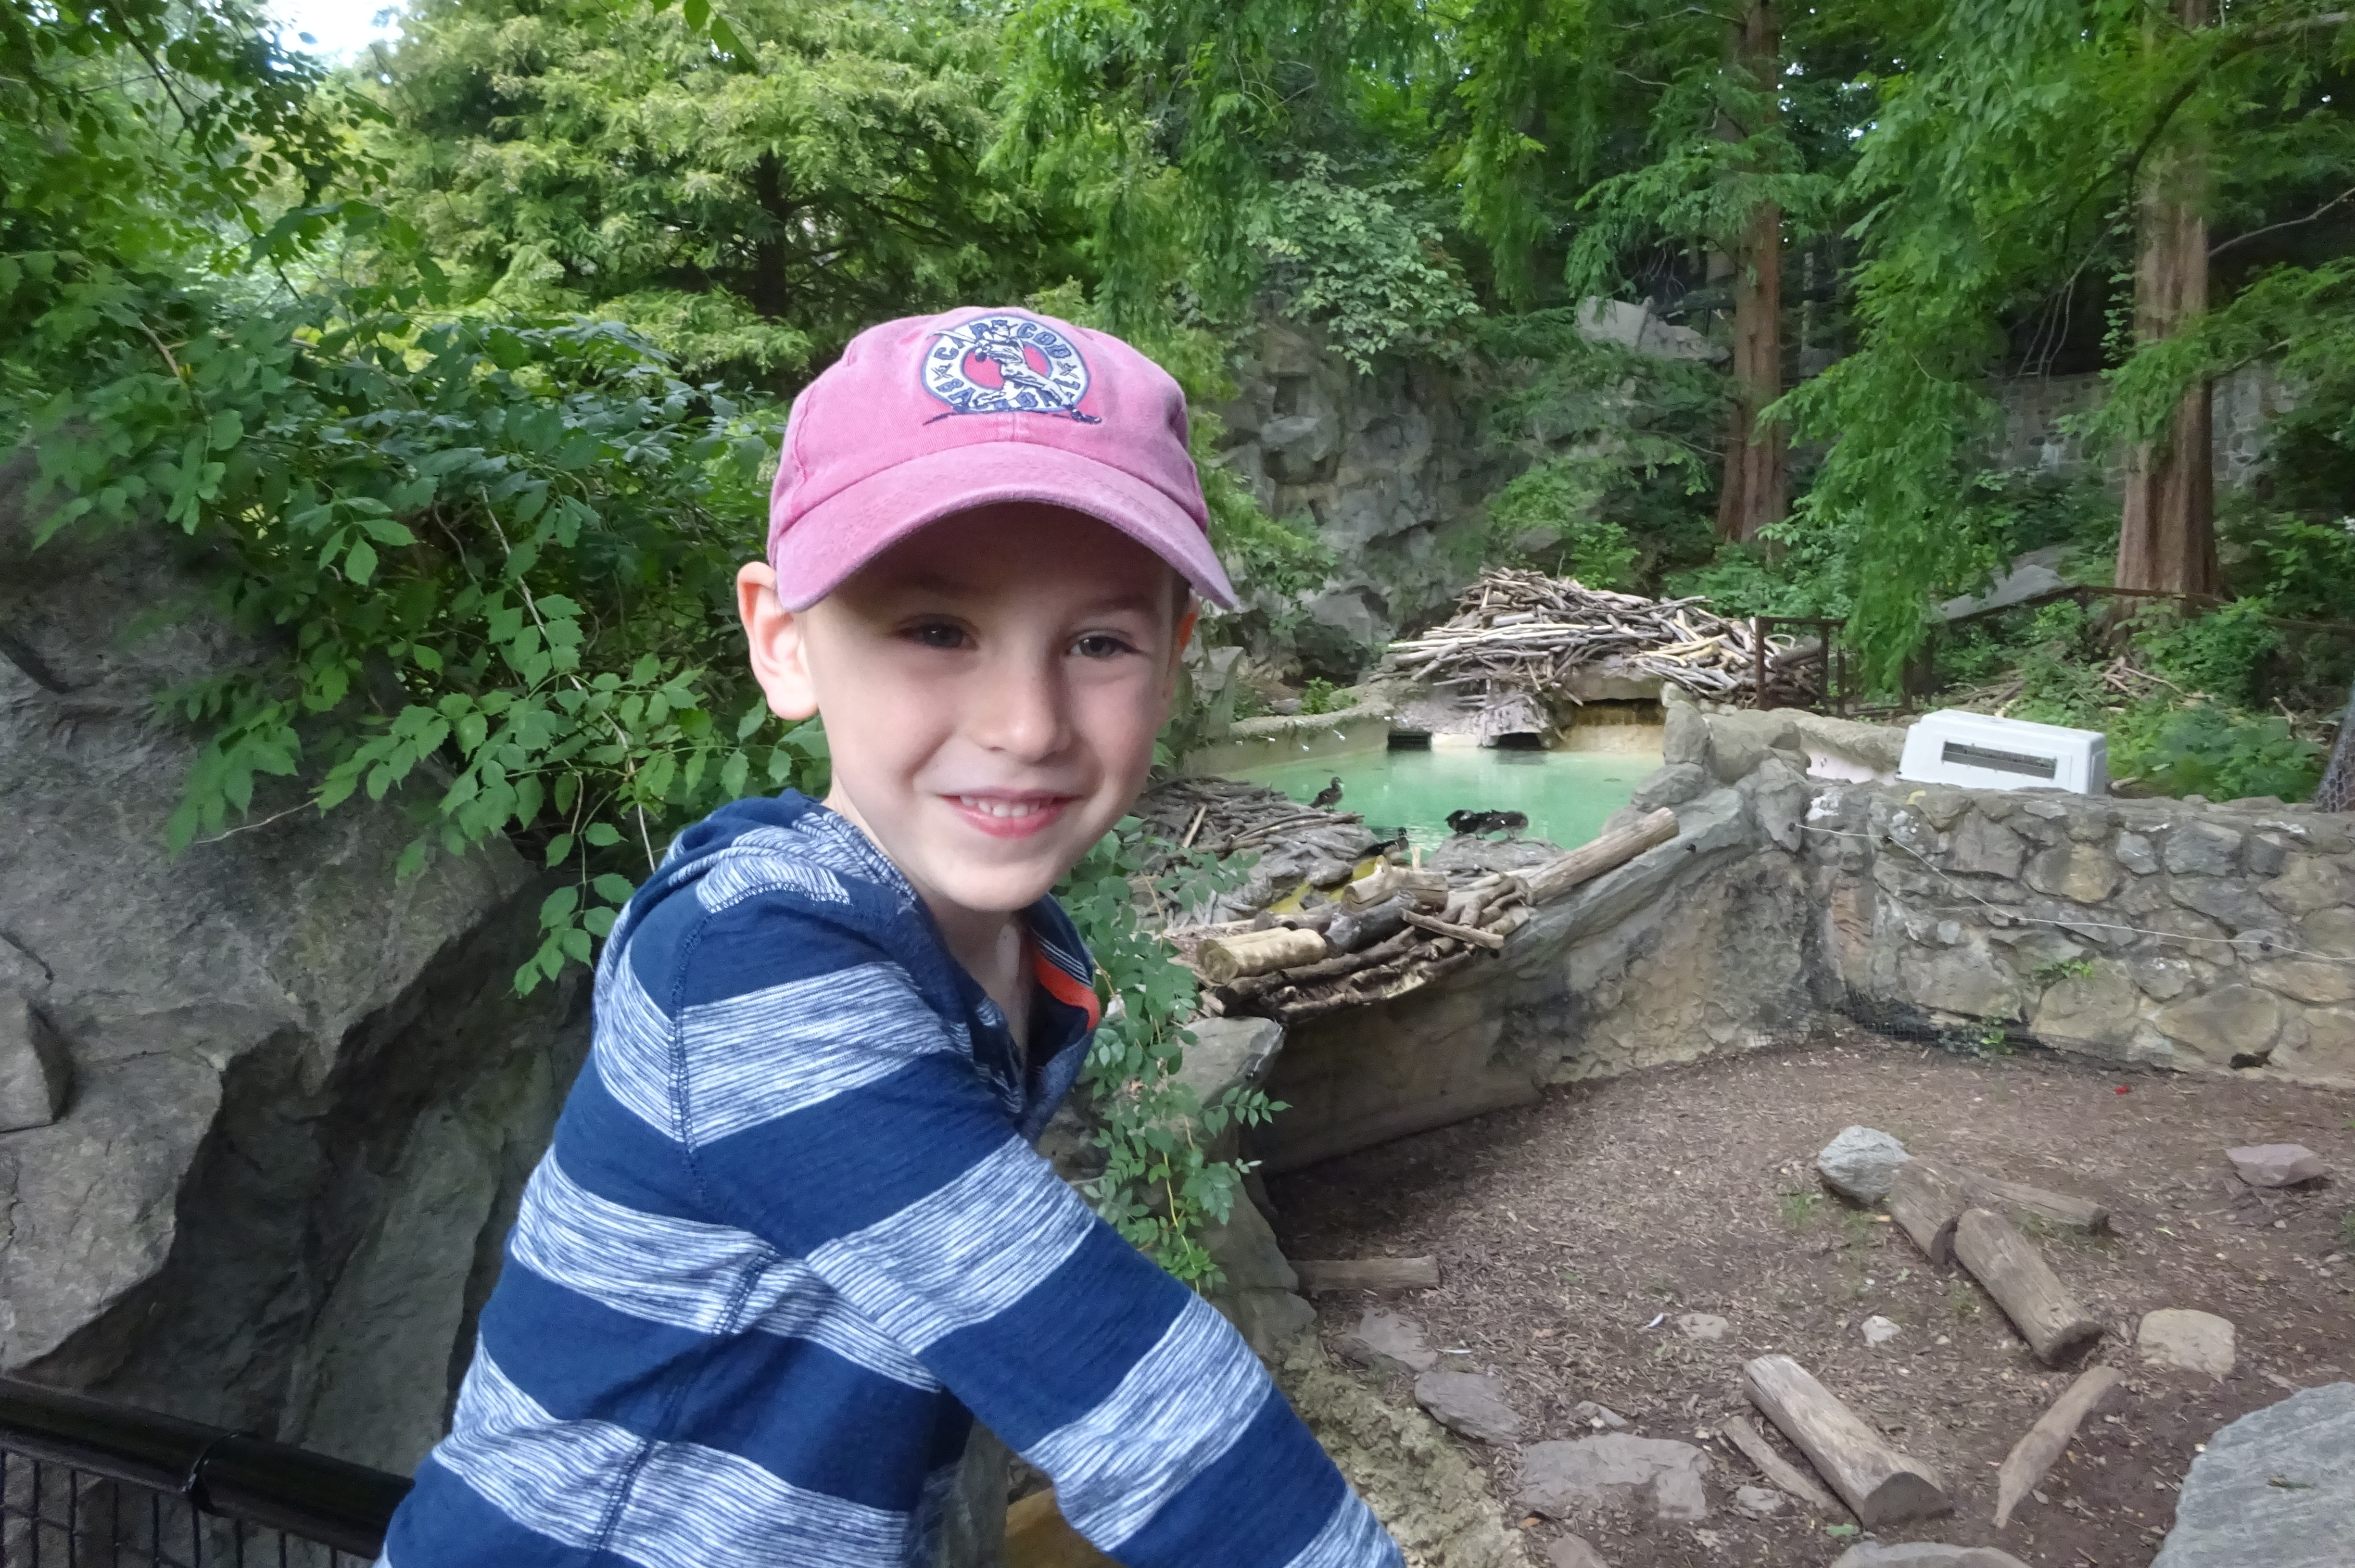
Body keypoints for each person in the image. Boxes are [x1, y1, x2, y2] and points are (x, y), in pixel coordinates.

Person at [377, 307, 1403, 1568]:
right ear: (784, 642)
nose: (1028, 723)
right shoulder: (750, 960)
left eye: (1098, 642)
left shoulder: (1017, 950)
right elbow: (1130, 1392)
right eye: (936, 630)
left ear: (1174, 656)